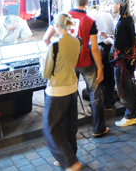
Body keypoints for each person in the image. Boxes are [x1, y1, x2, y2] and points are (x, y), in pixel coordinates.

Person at [45, 0, 108, 137]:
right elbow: (94, 47)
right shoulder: (90, 21)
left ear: (73, 1)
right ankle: (99, 128)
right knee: (95, 95)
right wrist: (100, 67)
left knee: (70, 96)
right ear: (87, 3)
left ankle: (70, 132)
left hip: (68, 64)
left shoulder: (61, 18)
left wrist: (55, 54)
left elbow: (46, 39)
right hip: (86, 62)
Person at [42, 13, 83, 171]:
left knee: (50, 127)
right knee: (69, 125)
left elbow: (46, 73)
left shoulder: (55, 45)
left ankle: (70, 162)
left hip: (57, 90)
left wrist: (42, 63)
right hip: (72, 86)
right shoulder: (76, 41)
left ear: (57, 26)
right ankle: (69, 157)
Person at [111, 0, 136, 125]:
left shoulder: (123, 22)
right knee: (128, 84)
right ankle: (135, 110)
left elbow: (120, 45)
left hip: (124, 60)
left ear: (119, 5)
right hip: (130, 60)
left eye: (114, 3)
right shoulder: (128, 19)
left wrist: (109, 40)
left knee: (124, 86)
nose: (113, 6)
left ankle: (131, 115)